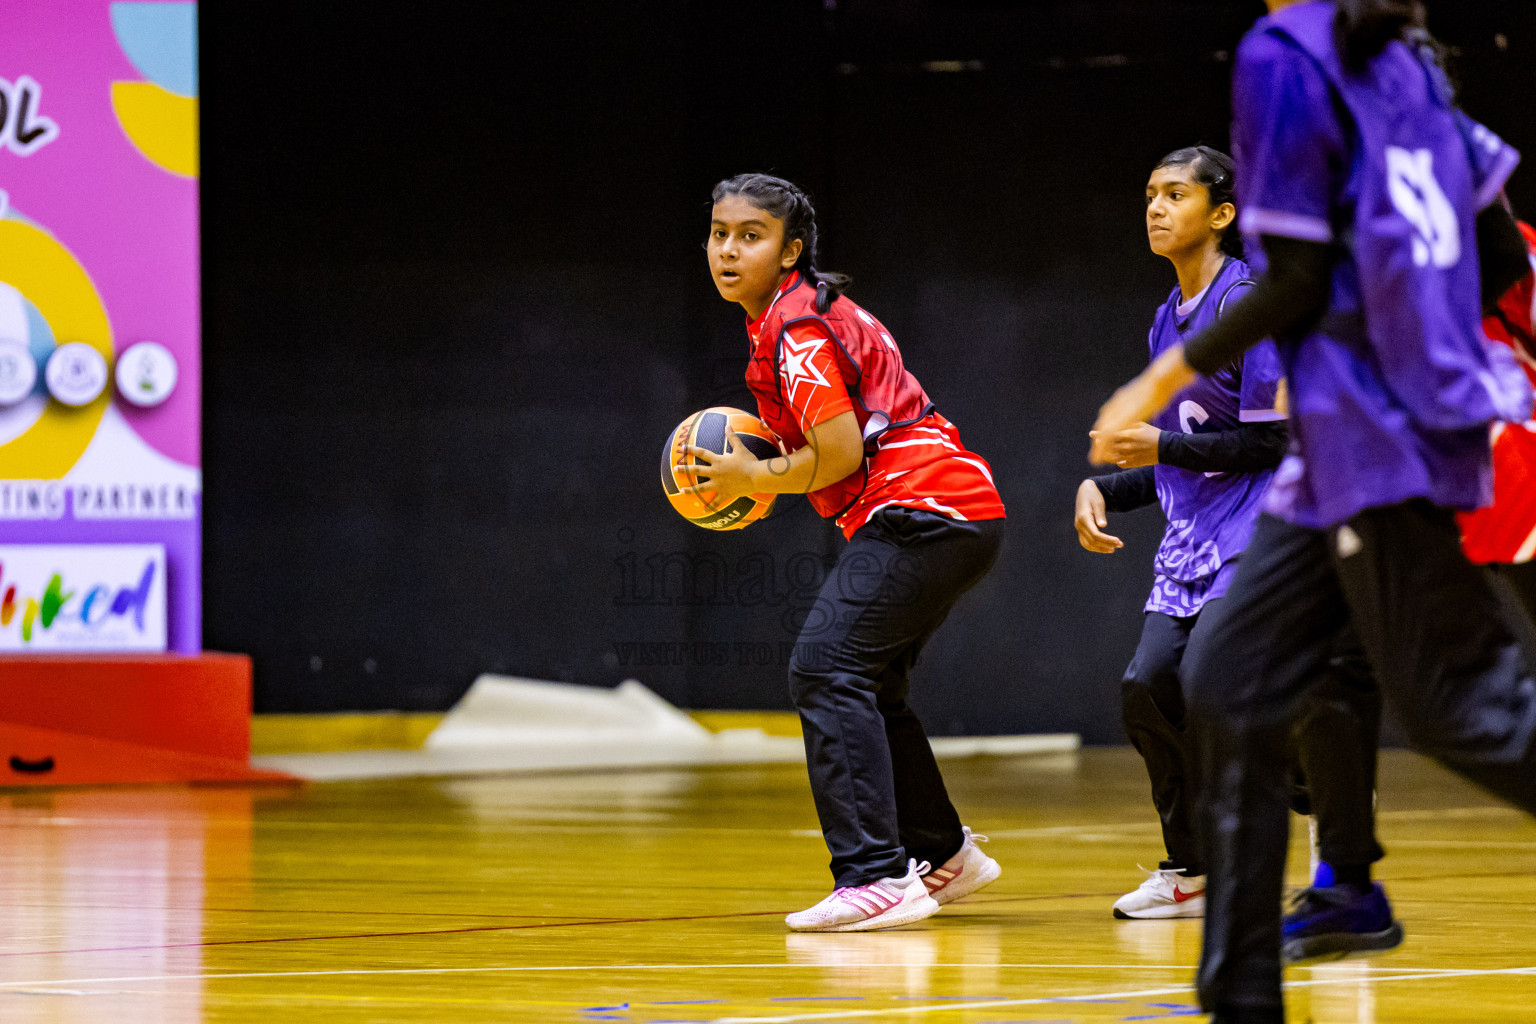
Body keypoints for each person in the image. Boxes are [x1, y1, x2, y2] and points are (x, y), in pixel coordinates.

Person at [1087, 2, 1536, 1021]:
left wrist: (1160, 380)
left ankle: (1325, 905)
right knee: (1229, 681)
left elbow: (1294, 277)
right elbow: (1503, 254)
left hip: (1382, 431)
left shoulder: (1287, 53)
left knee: (1466, 712)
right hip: (1349, 443)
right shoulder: (1411, 64)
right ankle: (1241, 991)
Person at [681, 173, 1007, 932]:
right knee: (871, 682)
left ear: (791, 250)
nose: (728, 251)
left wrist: (752, 475)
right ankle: (946, 855)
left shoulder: (796, 330)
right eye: (719, 234)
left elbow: (832, 454)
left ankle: (875, 876)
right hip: (958, 511)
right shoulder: (799, 315)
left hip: (926, 510)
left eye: (750, 236)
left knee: (825, 667)